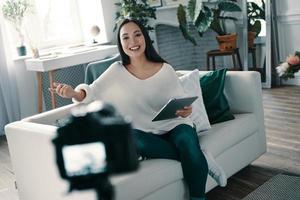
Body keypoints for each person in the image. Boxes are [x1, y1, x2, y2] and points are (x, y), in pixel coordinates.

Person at [50, 18, 226, 200]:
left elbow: (182, 102)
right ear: (121, 43)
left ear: (145, 38)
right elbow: (91, 92)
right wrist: (73, 92)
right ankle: (200, 157)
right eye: (125, 38)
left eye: (137, 35)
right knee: (130, 137)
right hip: (144, 132)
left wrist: (186, 111)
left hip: (175, 124)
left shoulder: (165, 68)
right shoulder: (116, 70)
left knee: (186, 141)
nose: (132, 42)